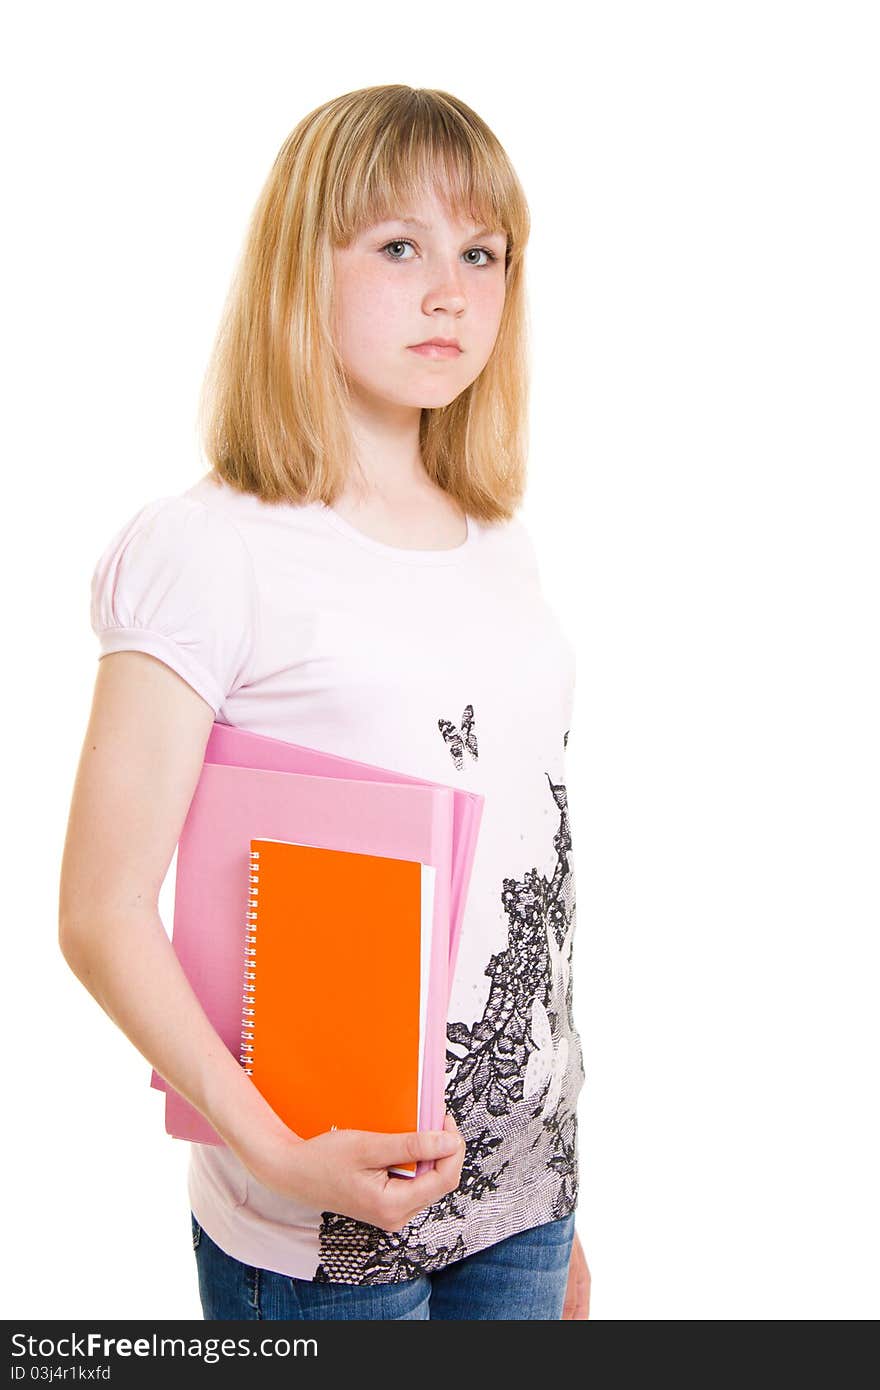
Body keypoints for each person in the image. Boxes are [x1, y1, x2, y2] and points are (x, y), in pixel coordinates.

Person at [59, 84, 591, 1321]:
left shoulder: (497, 539)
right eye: (398, 246)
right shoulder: (209, 547)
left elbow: (531, 862)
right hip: (317, 1215)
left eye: (482, 252)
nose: (450, 290)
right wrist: (268, 1147)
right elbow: (98, 908)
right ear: (305, 264)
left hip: (525, 1183)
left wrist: (561, 1220)